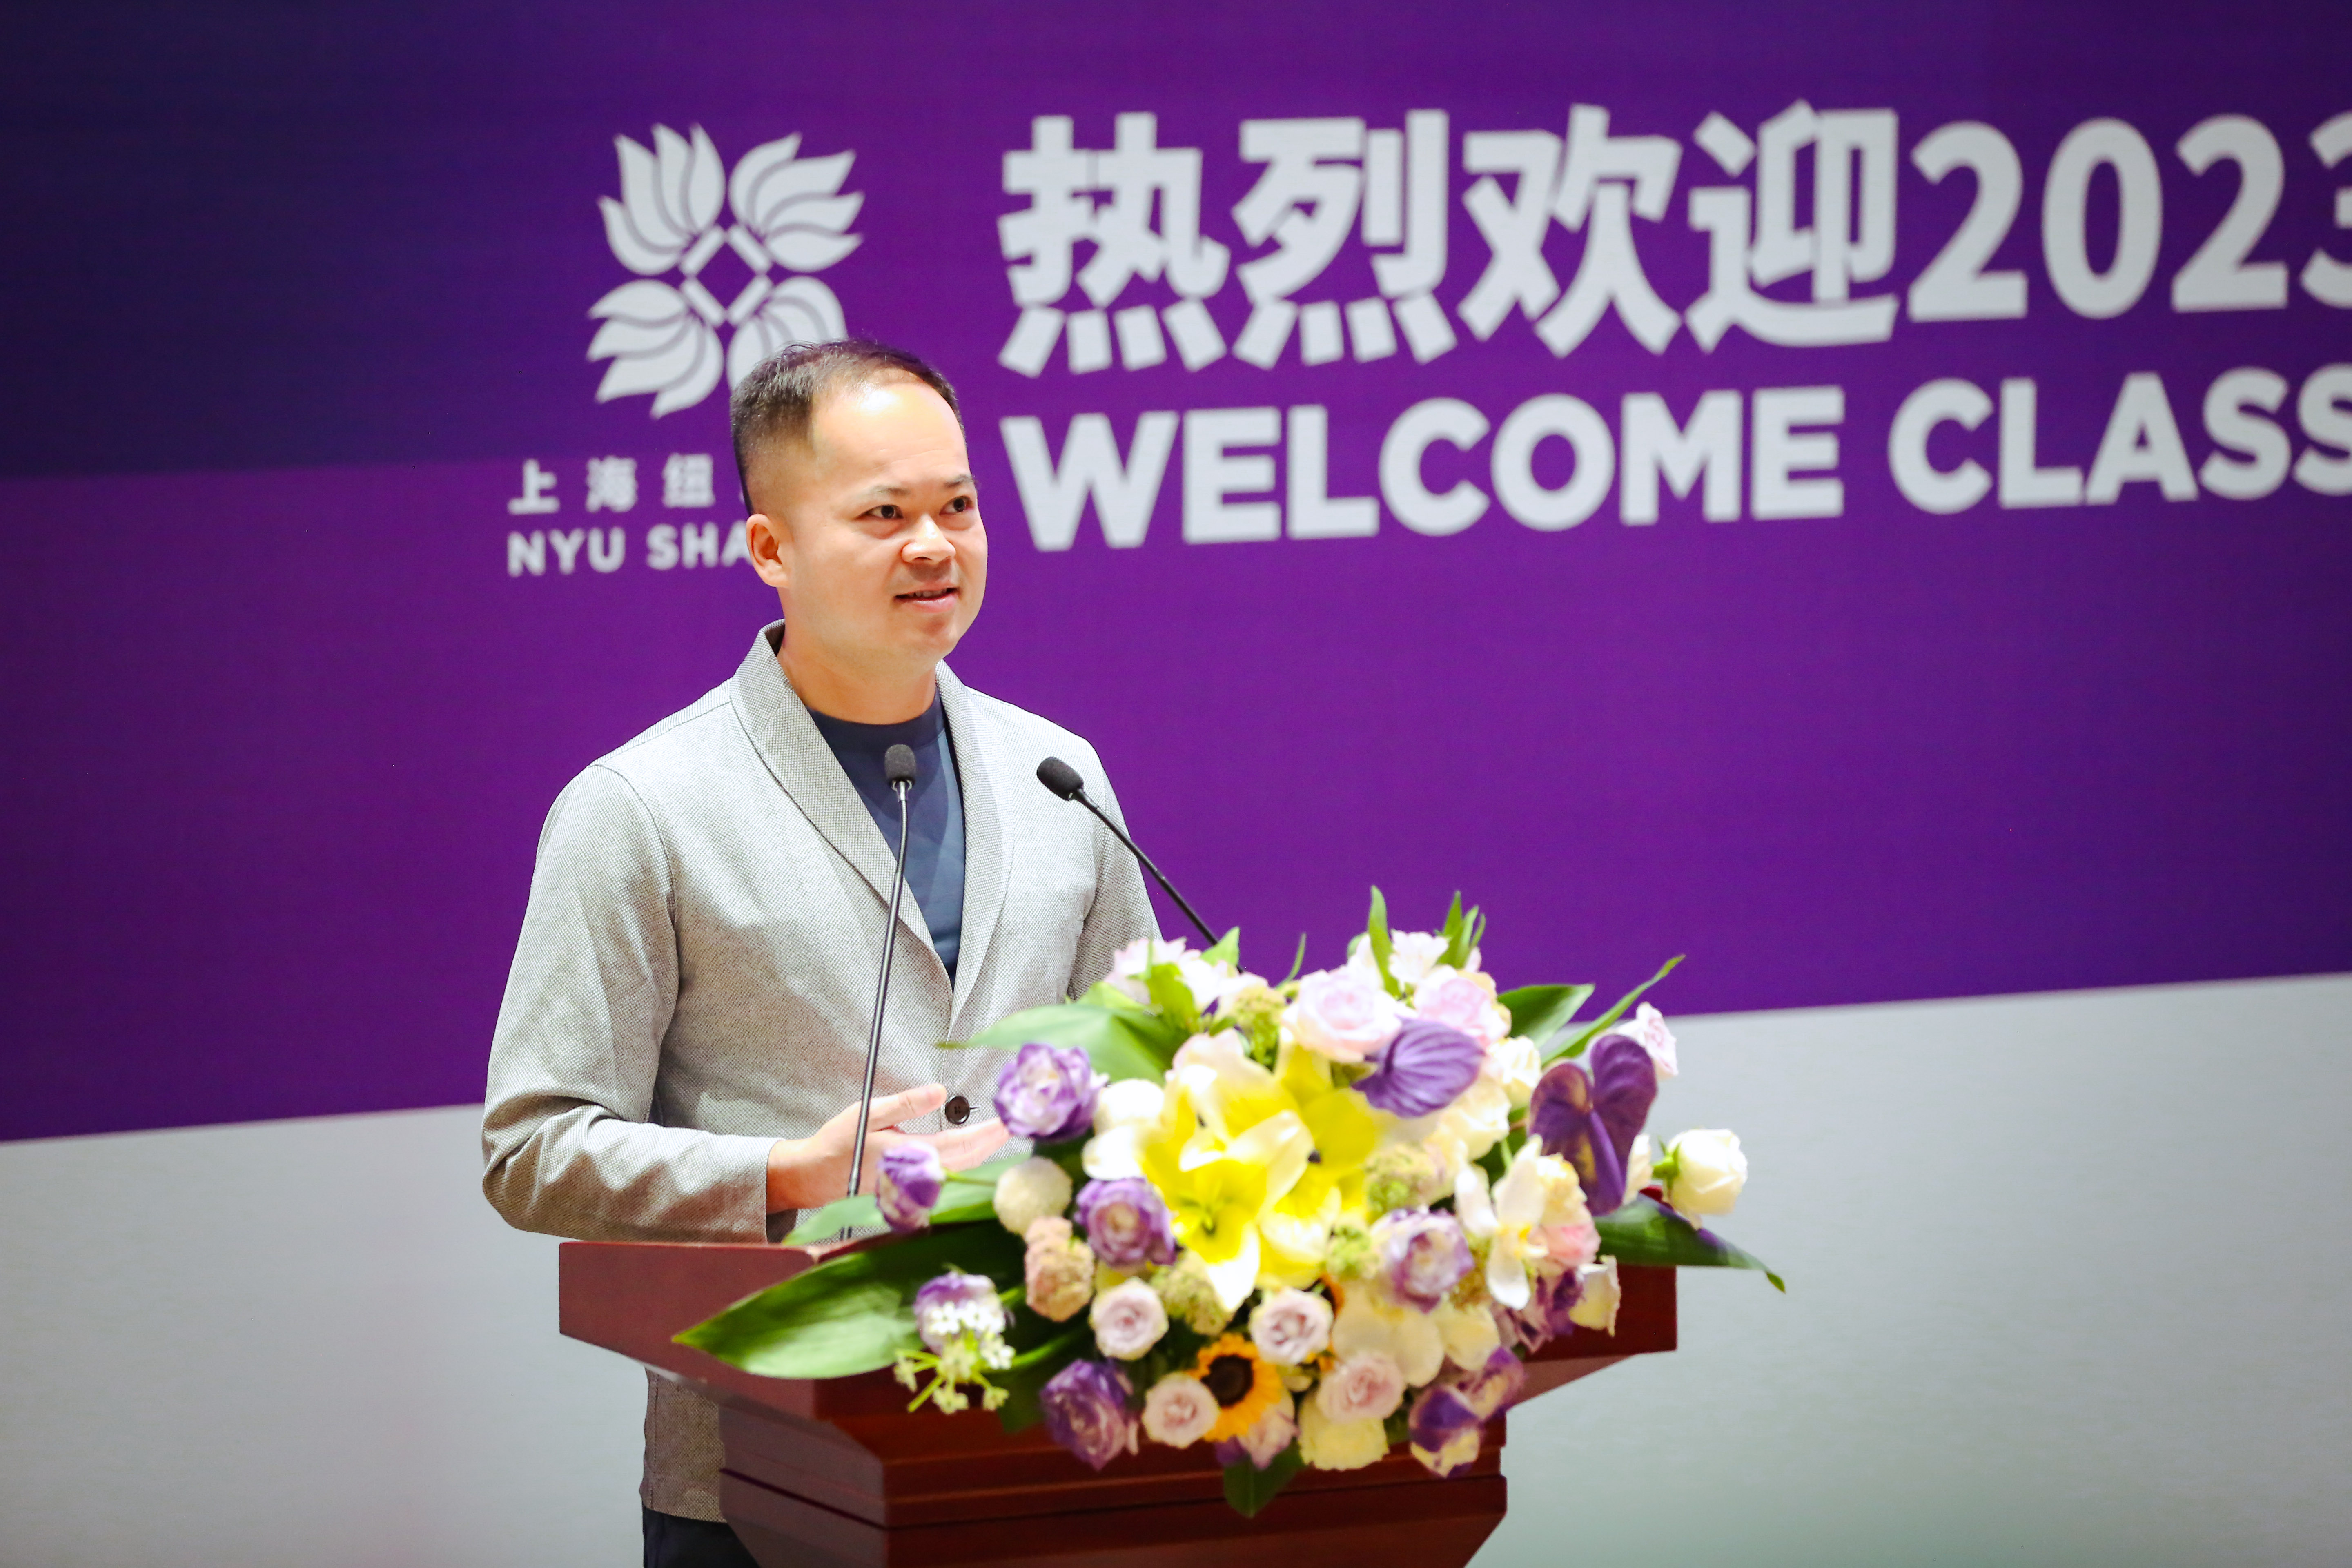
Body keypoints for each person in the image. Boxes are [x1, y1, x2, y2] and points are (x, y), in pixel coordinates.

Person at [481, 340, 1158, 1568]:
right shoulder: (641, 807)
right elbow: (534, 1151)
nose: (935, 546)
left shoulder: (1059, 775)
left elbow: (1142, 1074)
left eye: (959, 506)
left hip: (1045, 1449)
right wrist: (788, 1173)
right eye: (884, 515)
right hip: (764, 1480)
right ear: (771, 548)